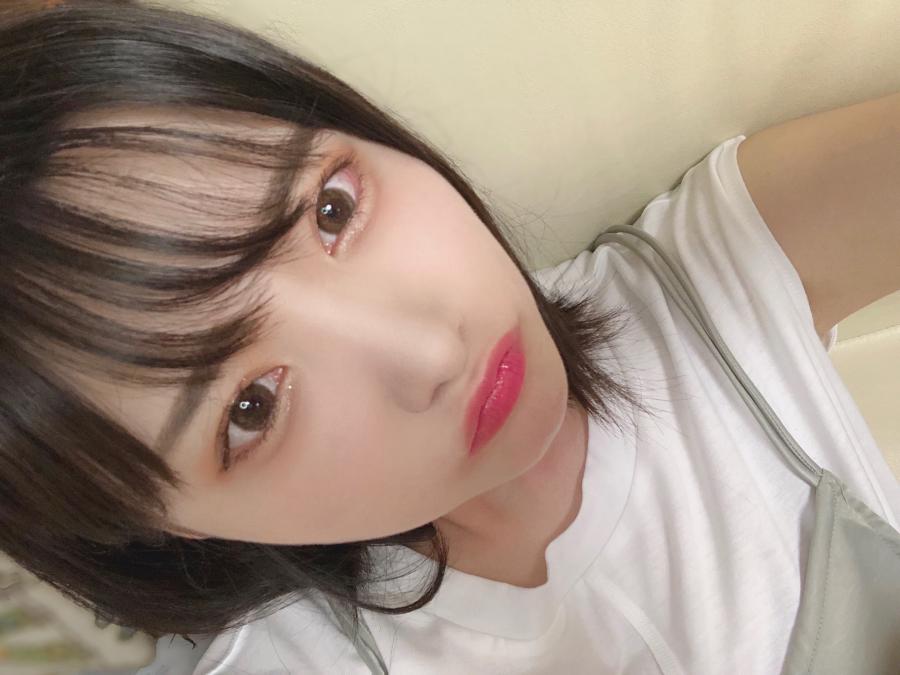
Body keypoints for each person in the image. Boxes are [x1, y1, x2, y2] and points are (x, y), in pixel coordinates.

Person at [1, 2, 897, 674]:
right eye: (252, 406)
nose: (430, 354)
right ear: (166, 524)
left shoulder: (703, 279)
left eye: (332, 209)